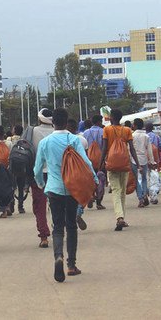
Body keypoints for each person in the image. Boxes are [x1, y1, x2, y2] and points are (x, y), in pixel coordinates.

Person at [34, 108, 97, 282]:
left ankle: (58, 256)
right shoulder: (74, 139)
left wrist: (41, 184)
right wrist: (94, 180)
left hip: (53, 189)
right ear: (67, 121)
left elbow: (38, 168)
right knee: (71, 226)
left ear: (53, 122)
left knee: (57, 226)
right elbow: (85, 161)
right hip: (72, 189)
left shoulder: (45, 142)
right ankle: (71, 264)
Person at [100, 109, 140, 231]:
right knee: (122, 191)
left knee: (116, 190)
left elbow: (104, 148)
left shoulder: (107, 130)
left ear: (111, 117)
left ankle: (119, 217)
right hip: (124, 163)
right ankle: (121, 217)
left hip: (111, 163)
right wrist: (137, 163)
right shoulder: (127, 130)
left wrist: (100, 163)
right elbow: (132, 148)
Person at [27, 108, 54, 248]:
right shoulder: (57, 132)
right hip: (55, 173)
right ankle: (57, 228)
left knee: (40, 206)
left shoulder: (33, 131)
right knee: (56, 204)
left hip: (38, 173)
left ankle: (43, 236)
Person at [67, 118, 88, 231]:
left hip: (67, 173)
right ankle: (78, 213)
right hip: (81, 172)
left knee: (68, 196)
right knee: (81, 195)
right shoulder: (83, 140)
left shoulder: (63, 140)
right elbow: (86, 158)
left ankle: (69, 216)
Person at [83, 115, 106, 210]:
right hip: (100, 159)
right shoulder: (103, 131)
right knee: (101, 179)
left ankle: (91, 195)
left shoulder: (85, 133)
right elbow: (105, 146)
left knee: (90, 179)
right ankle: (99, 202)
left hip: (89, 159)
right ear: (100, 122)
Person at [131, 118, 156, 208]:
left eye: (133, 124)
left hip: (134, 160)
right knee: (144, 178)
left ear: (136, 125)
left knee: (136, 180)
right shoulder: (146, 136)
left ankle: (140, 198)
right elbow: (149, 150)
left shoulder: (132, 135)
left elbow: (129, 149)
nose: (132, 126)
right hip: (144, 159)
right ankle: (145, 194)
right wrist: (152, 161)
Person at [7, 125, 27, 214]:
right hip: (22, 166)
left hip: (12, 165)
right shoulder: (25, 141)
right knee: (21, 187)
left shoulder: (9, 139)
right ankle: (21, 206)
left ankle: (11, 205)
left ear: (14, 131)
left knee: (12, 186)